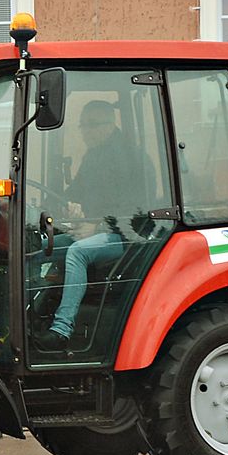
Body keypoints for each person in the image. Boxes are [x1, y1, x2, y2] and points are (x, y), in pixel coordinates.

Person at [35, 100, 144, 351]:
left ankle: (62, 329)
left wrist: (97, 227)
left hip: (125, 238)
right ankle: (29, 318)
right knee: (37, 248)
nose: (85, 131)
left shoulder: (131, 158)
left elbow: (133, 210)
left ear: (109, 125)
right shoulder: (93, 156)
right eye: (83, 125)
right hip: (91, 231)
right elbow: (77, 192)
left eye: (91, 125)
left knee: (77, 252)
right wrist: (69, 206)